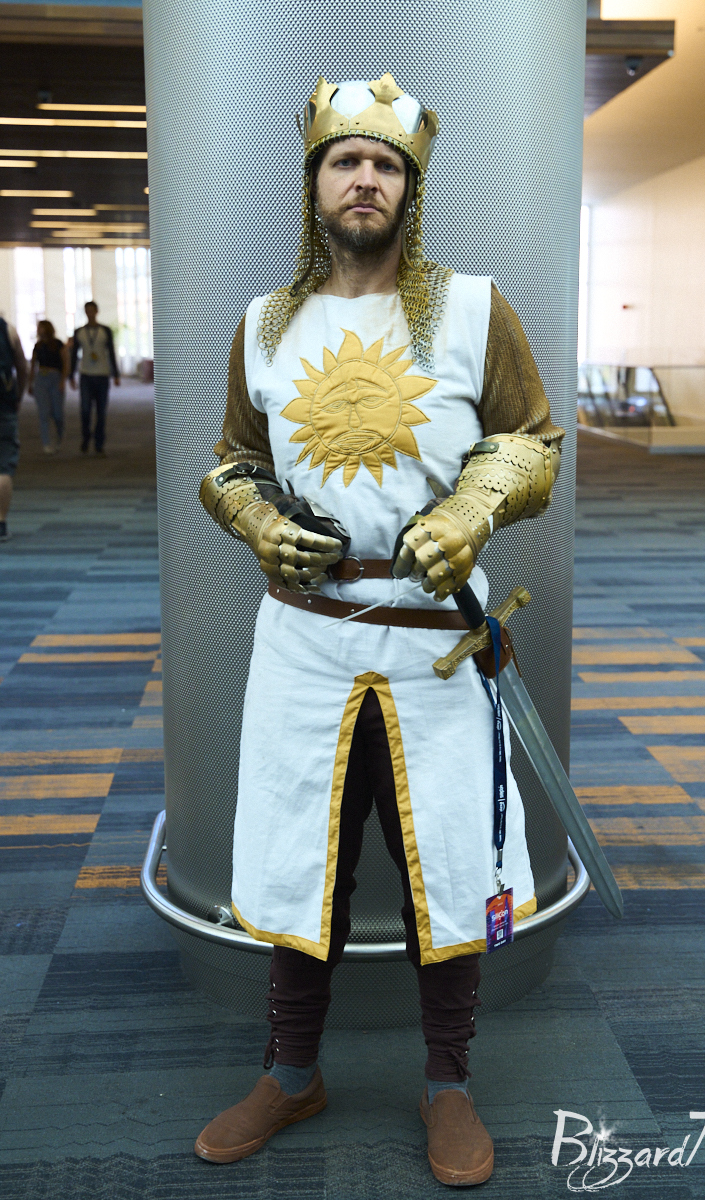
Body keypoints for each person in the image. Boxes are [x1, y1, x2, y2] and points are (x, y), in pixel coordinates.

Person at [194, 74, 564, 1187]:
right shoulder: (264, 325)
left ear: (411, 187)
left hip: (430, 642)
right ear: (313, 183)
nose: (366, 179)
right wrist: (259, 522)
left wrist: (471, 509)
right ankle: (289, 1071)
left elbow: (532, 440)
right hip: (304, 641)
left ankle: (447, 1084)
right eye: (345, 161)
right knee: (296, 857)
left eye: (386, 164)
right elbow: (231, 461)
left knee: (446, 862)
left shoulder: (473, 309)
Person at [69, 300, 120, 455]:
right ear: (85, 312)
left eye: (92, 310)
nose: (90, 313)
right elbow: (74, 354)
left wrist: (116, 374)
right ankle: (86, 436)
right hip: (85, 375)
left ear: (97, 312)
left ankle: (99, 443)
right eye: (87, 311)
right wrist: (71, 375)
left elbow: (111, 352)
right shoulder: (79, 332)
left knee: (101, 411)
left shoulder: (105, 331)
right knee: (85, 410)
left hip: (102, 375)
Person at [0, 315, 27, 541]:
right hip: (4, 406)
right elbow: (21, 367)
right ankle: (0, 522)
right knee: (4, 466)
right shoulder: (8, 330)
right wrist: (18, 396)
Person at [28, 319, 67, 453]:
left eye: (41, 327)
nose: (39, 330)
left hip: (55, 377)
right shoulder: (37, 346)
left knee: (57, 413)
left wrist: (63, 380)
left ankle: (60, 436)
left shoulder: (58, 344)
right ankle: (46, 443)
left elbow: (65, 363)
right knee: (43, 412)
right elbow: (33, 366)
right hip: (41, 379)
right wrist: (30, 383)